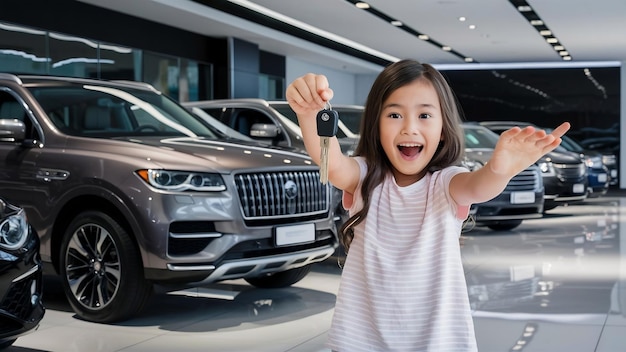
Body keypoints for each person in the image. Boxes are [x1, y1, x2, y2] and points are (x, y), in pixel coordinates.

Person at [286, 59, 570, 352]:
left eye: (424, 115)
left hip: (437, 341)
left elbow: (479, 186)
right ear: (376, 125)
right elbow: (332, 167)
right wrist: (309, 115)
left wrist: (500, 170)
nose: (409, 128)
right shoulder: (364, 176)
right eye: (395, 115)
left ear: (444, 129)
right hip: (362, 339)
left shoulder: (447, 183)